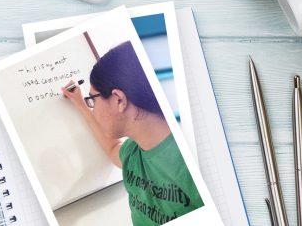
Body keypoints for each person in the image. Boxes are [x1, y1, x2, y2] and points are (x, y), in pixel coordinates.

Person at [61, 41, 204, 225]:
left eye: (93, 100)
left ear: (119, 99)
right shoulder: (134, 152)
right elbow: (113, 149)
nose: (93, 108)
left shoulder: (190, 161)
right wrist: (81, 104)